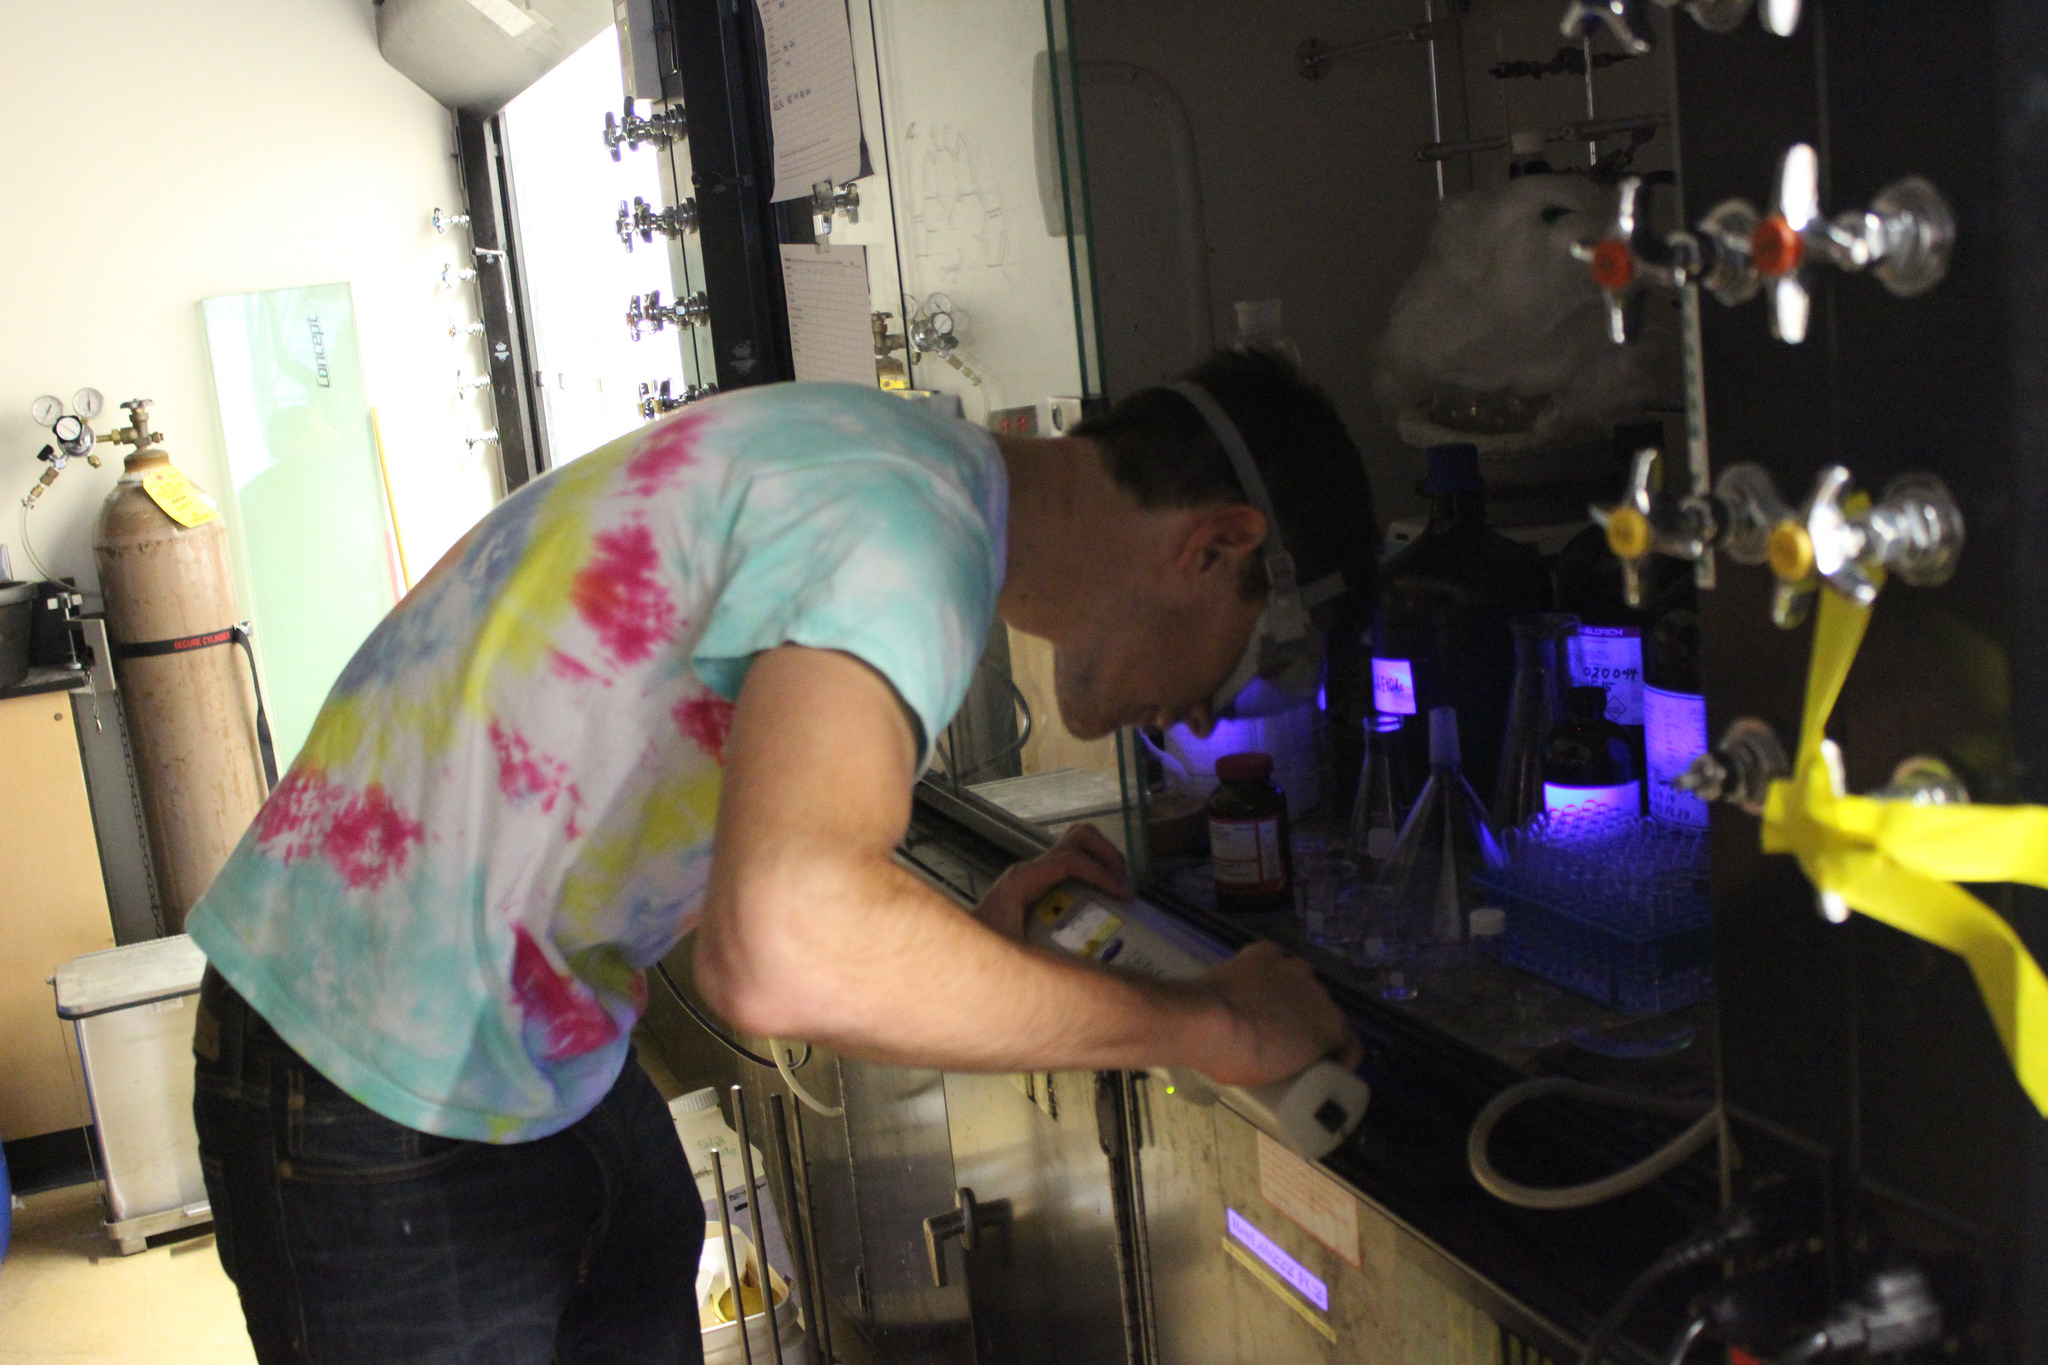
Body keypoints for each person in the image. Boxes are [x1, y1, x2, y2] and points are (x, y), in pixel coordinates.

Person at [185, 347, 1376, 1363]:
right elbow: (786, 955)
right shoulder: (908, 537)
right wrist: (1212, 1028)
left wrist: (962, 952)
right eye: (1251, 664)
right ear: (1216, 546)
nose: (1203, 718)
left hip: (521, 1043)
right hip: (365, 1071)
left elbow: (730, 832)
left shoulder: (887, 465)